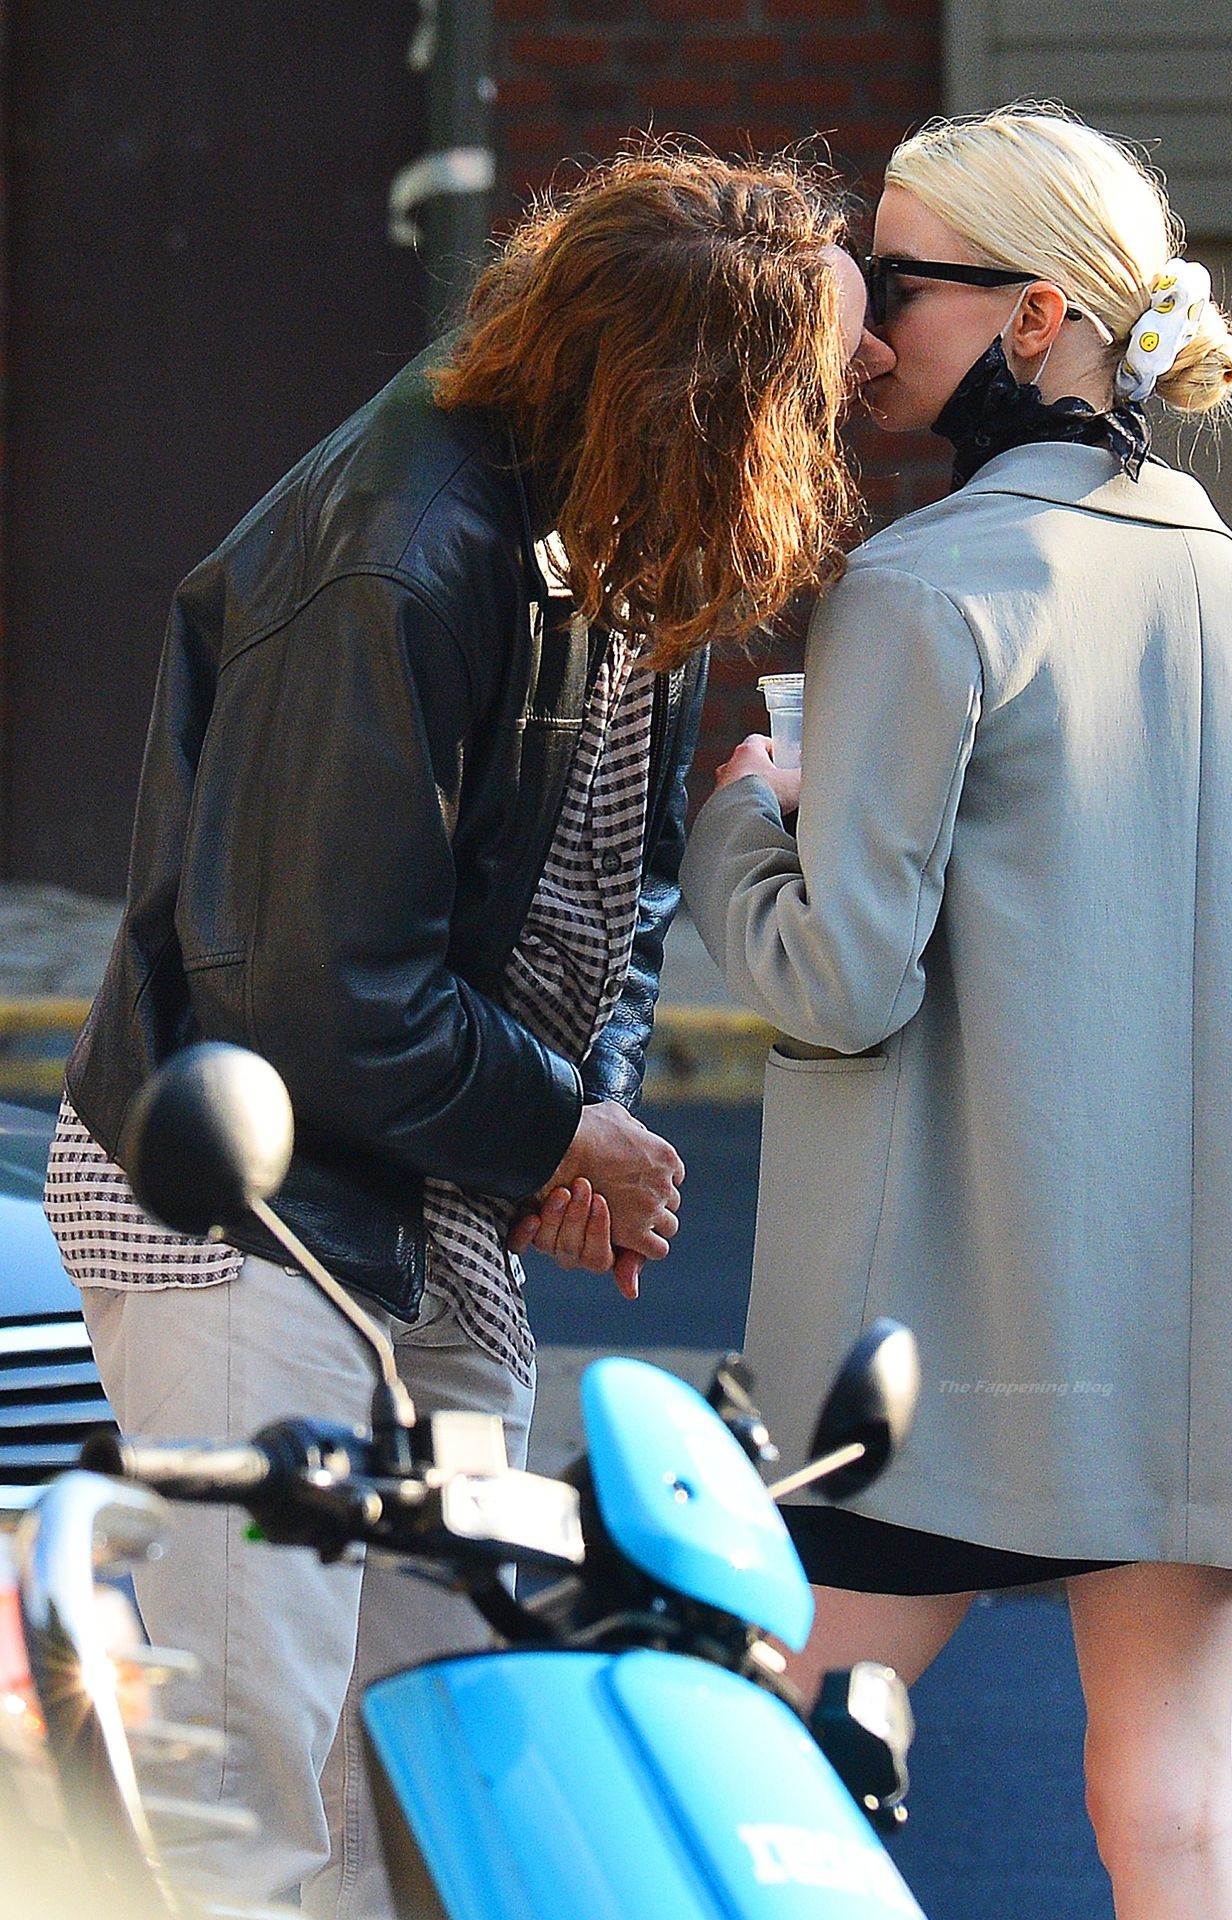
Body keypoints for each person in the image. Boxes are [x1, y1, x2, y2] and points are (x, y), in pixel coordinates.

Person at [44, 148, 878, 1917]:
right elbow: (312, 989)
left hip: (432, 1193)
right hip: (249, 1211)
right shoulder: (406, 555)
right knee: (252, 1790)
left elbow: (620, 890)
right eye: (825, 379)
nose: (855, 399)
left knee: (445, 1773)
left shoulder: (625, 515)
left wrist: (578, 1123)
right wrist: (561, 1136)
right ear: (710, 393)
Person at [681, 105, 1232, 1920]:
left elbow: (839, 982)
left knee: (771, 1776)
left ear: (1037, 314)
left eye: (897, 282)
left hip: (942, 1346)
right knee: (1173, 1808)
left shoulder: (921, 588)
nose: (860, 328)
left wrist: (739, 816)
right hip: (1208, 1335)